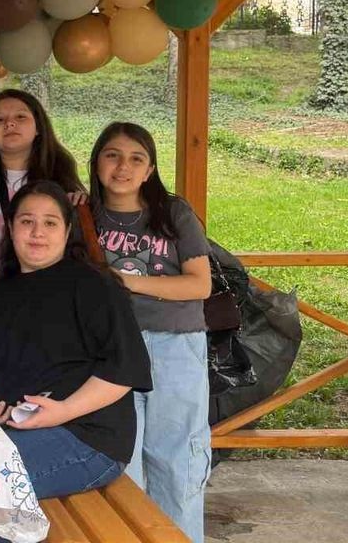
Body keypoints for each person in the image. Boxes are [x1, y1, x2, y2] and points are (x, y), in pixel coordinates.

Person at [0, 181, 152, 543]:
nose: (38, 232)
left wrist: (62, 411)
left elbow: (125, 368)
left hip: (88, 437)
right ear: (11, 227)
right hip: (20, 429)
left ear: (67, 231)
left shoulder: (93, 285)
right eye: (27, 221)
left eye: (50, 223)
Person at [89, 122, 212, 543]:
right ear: (97, 162)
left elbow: (199, 284)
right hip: (111, 349)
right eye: (112, 155)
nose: (123, 167)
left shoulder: (173, 212)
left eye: (136, 158)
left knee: (178, 458)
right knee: (123, 460)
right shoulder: (84, 215)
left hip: (174, 346)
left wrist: (128, 281)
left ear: (149, 170)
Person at [0, 89, 83, 274]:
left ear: (38, 127)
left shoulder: (61, 183)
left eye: (21, 117)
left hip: (38, 286)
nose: (10, 123)